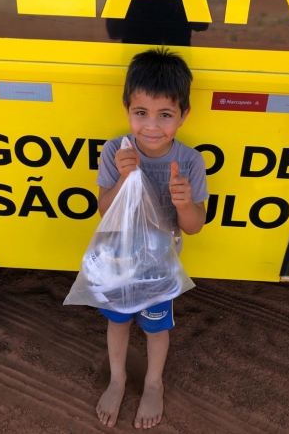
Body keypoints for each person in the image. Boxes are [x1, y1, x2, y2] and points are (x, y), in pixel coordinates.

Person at [95, 48, 209, 429]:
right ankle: (117, 379)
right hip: (118, 261)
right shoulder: (116, 151)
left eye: (166, 115)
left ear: (183, 115)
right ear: (127, 109)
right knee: (118, 322)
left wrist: (185, 203)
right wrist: (125, 178)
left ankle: (153, 383)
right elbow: (103, 211)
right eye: (141, 113)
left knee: (156, 328)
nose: (152, 126)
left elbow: (193, 226)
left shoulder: (191, 162)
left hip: (161, 268)